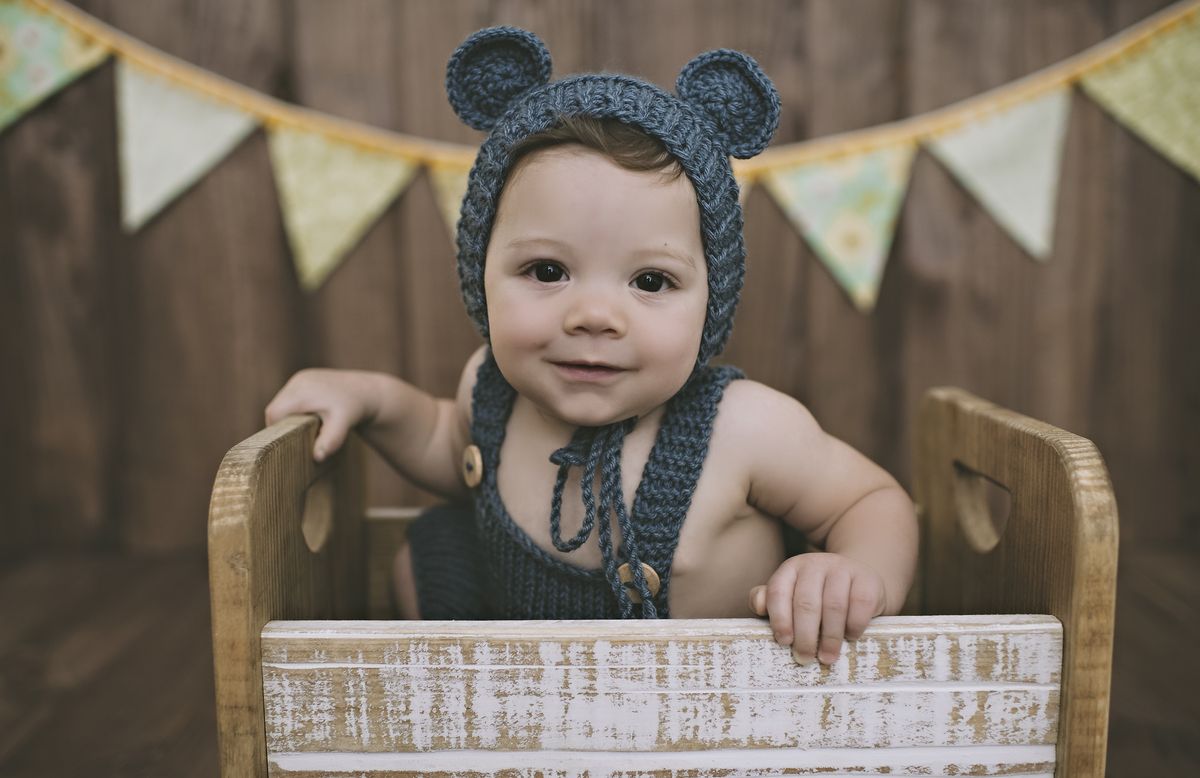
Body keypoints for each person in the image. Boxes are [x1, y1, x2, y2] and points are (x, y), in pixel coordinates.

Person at [265, 27, 917, 667]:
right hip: (527, 687)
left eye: (651, 281)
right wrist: (374, 400)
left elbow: (870, 501)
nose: (595, 316)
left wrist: (849, 572)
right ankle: (467, 719)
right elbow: (446, 440)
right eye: (547, 271)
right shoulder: (490, 389)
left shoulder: (745, 430)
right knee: (431, 549)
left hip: (703, 715)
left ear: (711, 298)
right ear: (480, 274)